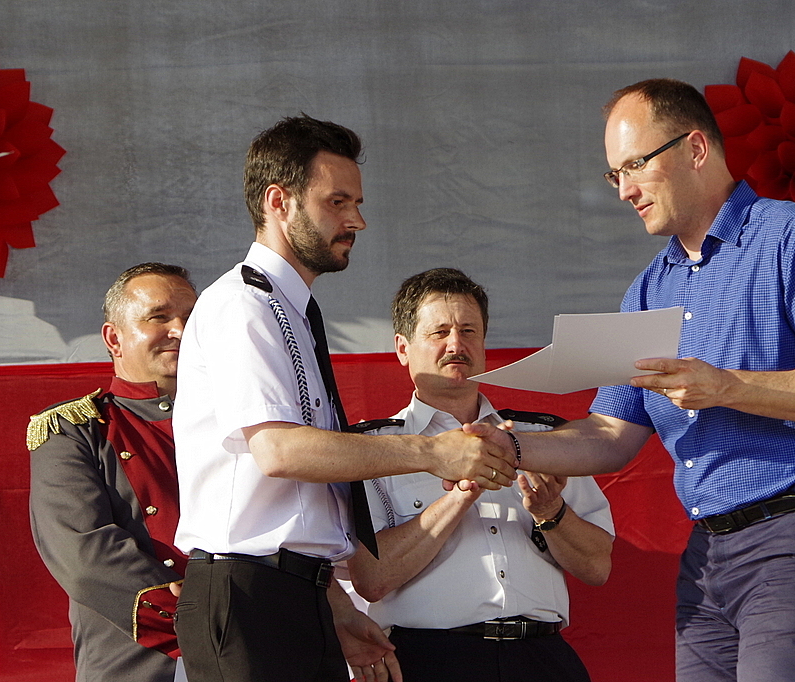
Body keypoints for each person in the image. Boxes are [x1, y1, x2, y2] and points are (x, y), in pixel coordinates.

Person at [468, 78, 795, 682]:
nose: (624, 190)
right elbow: (611, 435)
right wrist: (506, 445)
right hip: (708, 558)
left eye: (635, 165)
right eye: (614, 174)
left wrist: (727, 387)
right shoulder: (649, 289)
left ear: (696, 148)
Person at [171, 115, 517, 682]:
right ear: (279, 202)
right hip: (248, 595)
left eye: (356, 203)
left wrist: (333, 603)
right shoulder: (242, 304)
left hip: (297, 593)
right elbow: (280, 452)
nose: (356, 220)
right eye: (337, 202)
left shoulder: (291, 310)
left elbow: (298, 500)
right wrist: (434, 452)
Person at [345, 268, 614, 682]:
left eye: (469, 331)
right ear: (402, 348)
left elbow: (598, 567)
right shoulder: (374, 449)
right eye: (440, 332)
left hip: (541, 657)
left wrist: (551, 512)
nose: (456, 344)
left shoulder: (541, 438)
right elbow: (372, 579)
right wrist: (461, 494)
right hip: (431, 659)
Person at [28, 262, 197, 682]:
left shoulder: (242, 423)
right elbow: (86, 555)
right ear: (114, 338)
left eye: (192, 317)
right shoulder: (71, 429)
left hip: (251, 654)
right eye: (159, 317)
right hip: (137, 663)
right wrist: (206, 620)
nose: (180, 330)